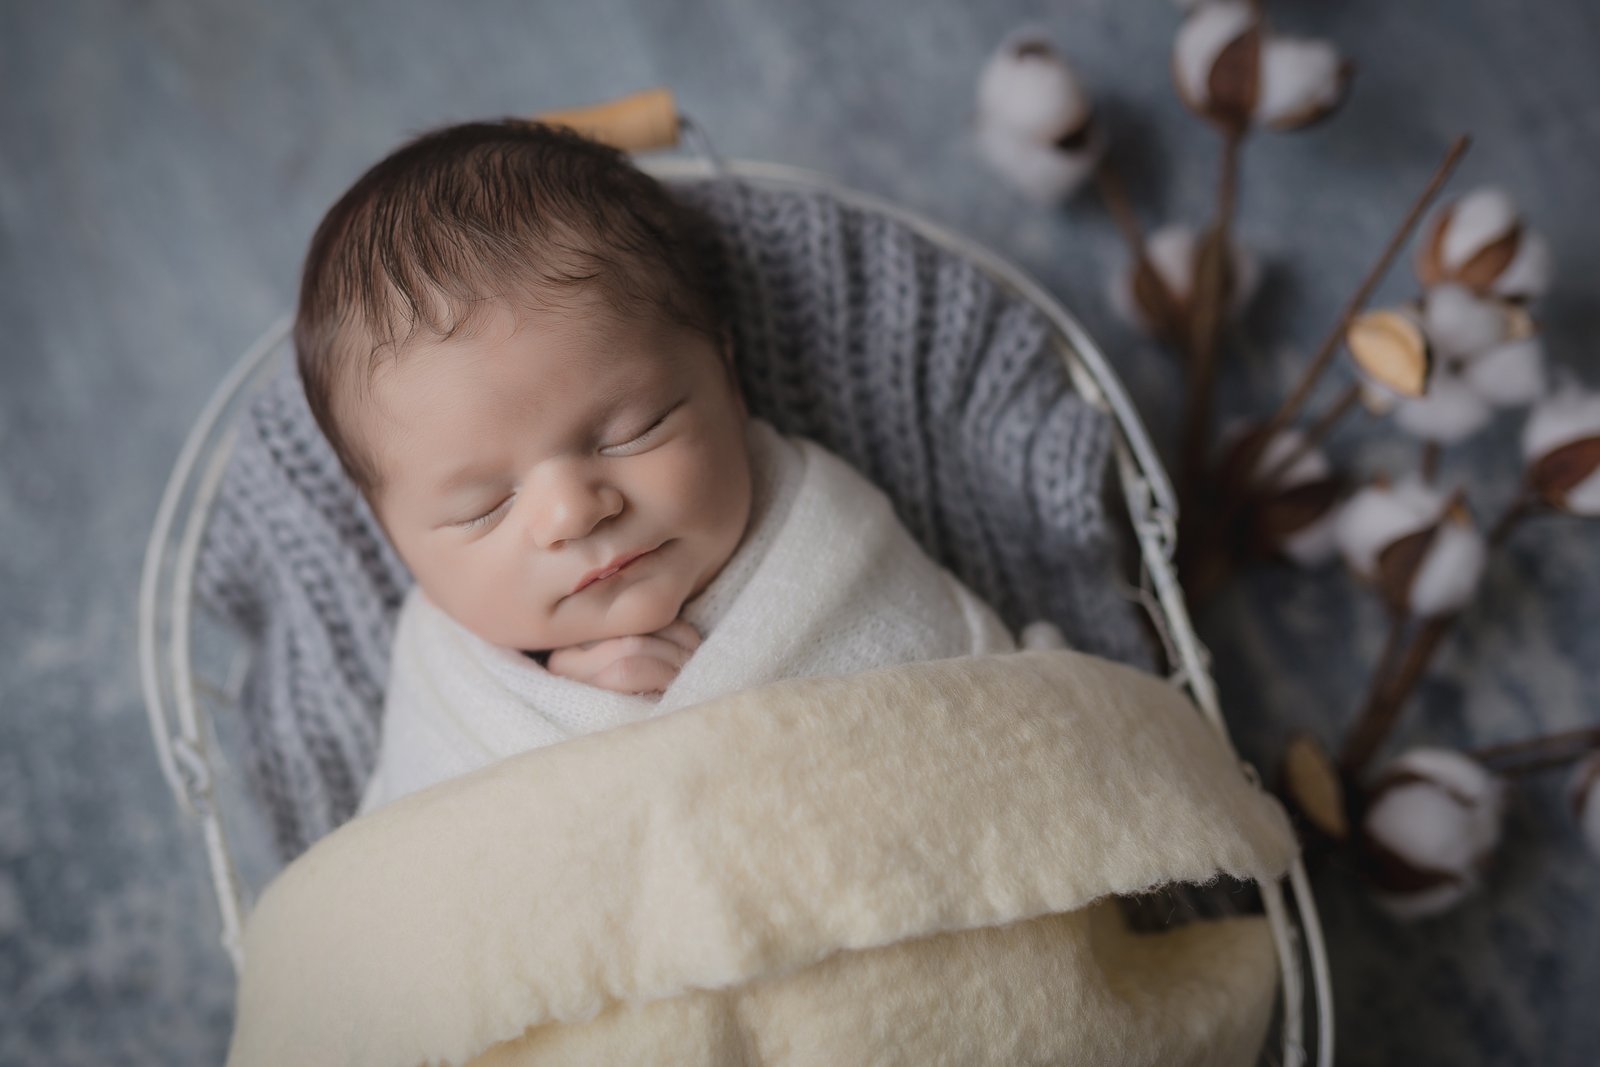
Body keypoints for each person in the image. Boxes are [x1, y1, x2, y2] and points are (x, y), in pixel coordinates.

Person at [294, 120, 1064, 811]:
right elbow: (426, 871)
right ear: (393, 537)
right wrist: (585, 741)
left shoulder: (829, 548)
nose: (573, 511)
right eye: (483, 506)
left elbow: (991, 728)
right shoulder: (447, 691)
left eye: (635, 431)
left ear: (728, 380)